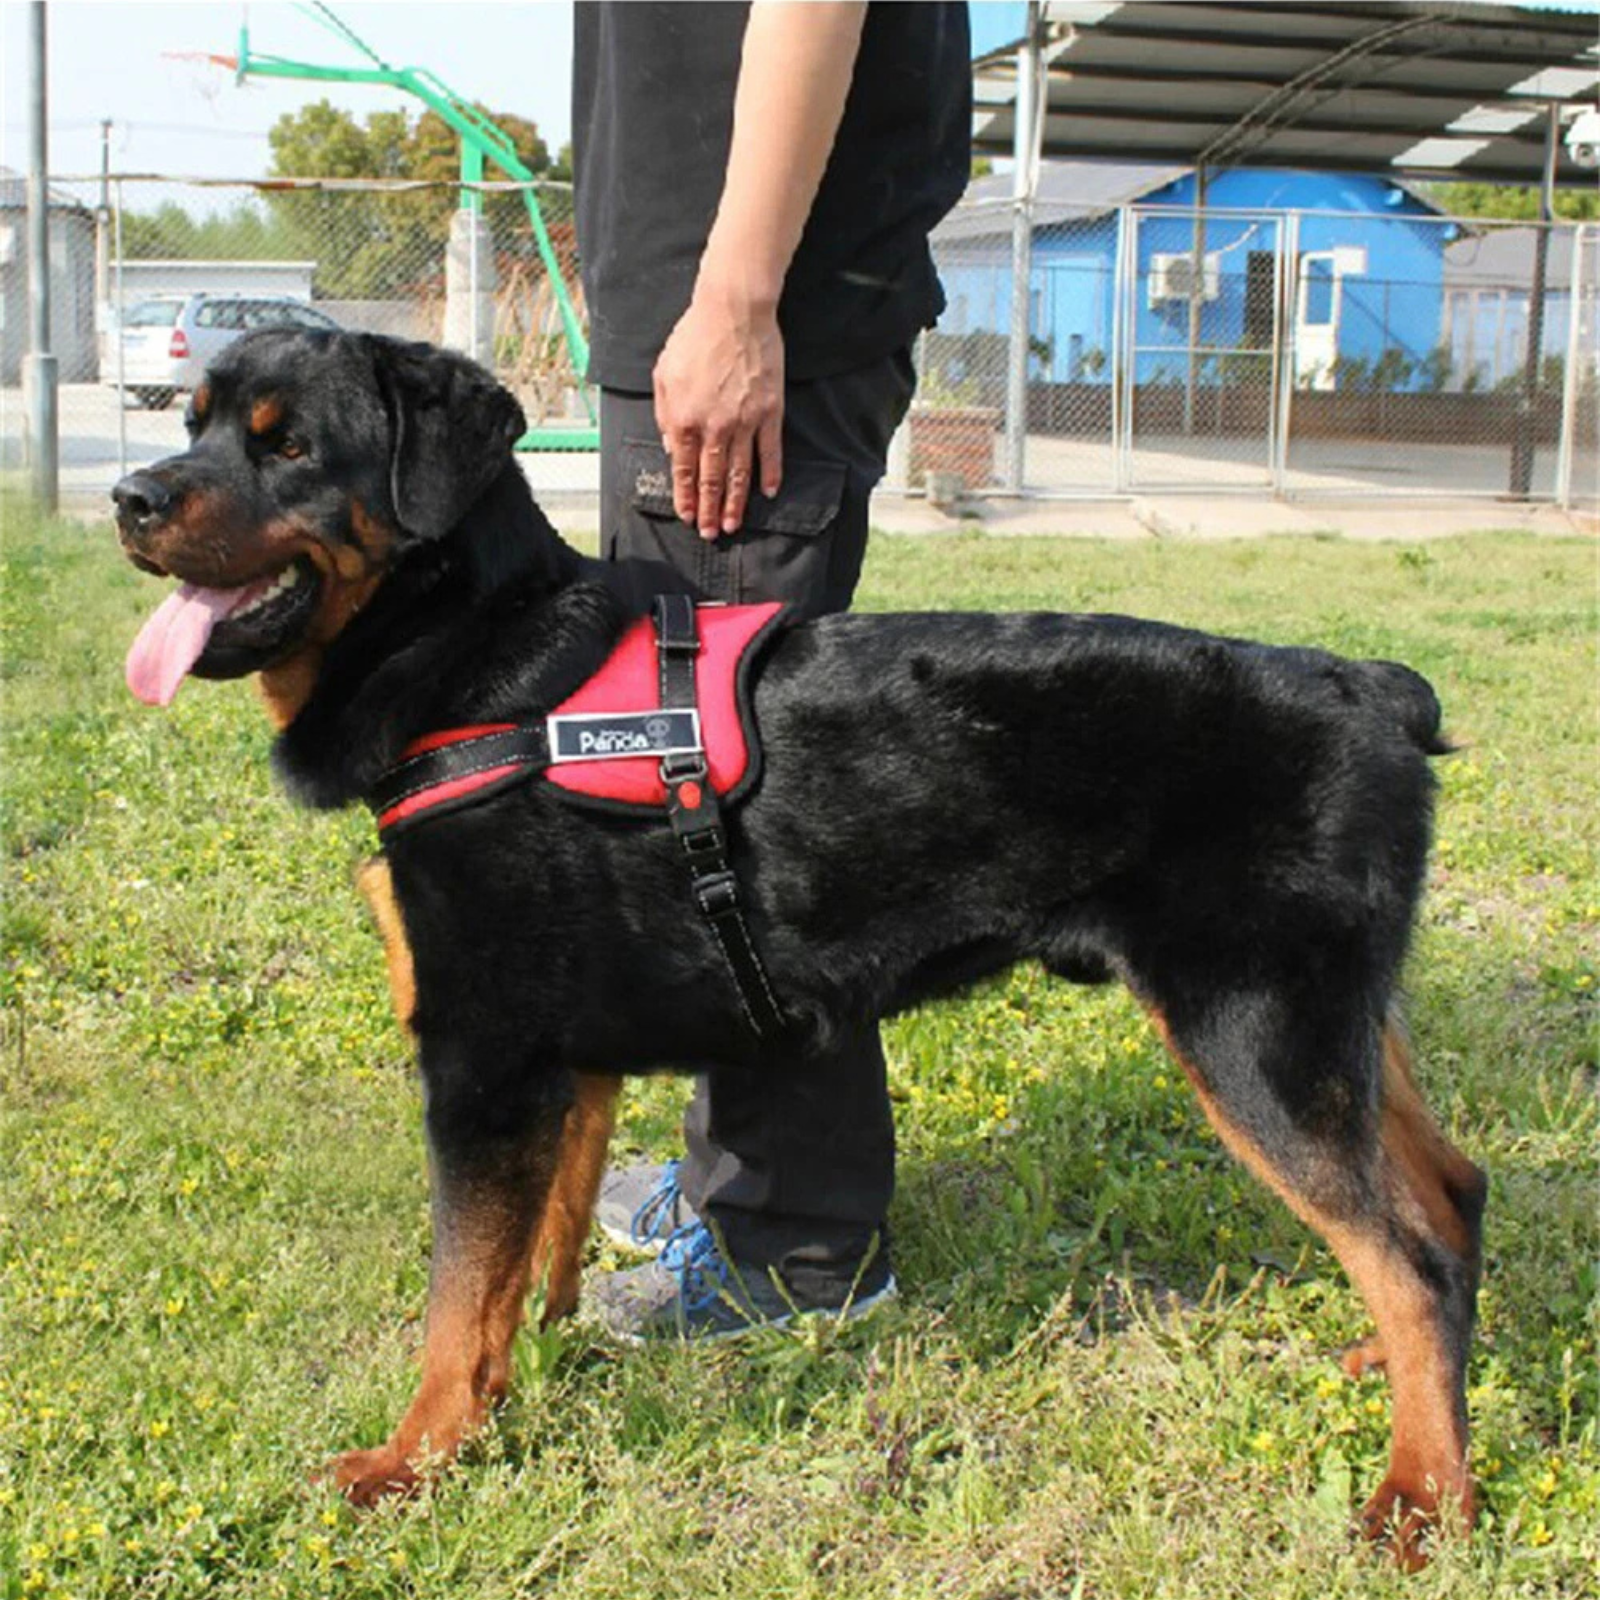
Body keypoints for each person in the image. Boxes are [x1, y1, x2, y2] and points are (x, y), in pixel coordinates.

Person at [571, 0, 971, 1338]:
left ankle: (798, 1246)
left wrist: (737, 296)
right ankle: (734, 1175)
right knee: (691, 783)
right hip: (706, 293)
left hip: (754, 299)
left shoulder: (745, 300)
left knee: (738, 800)